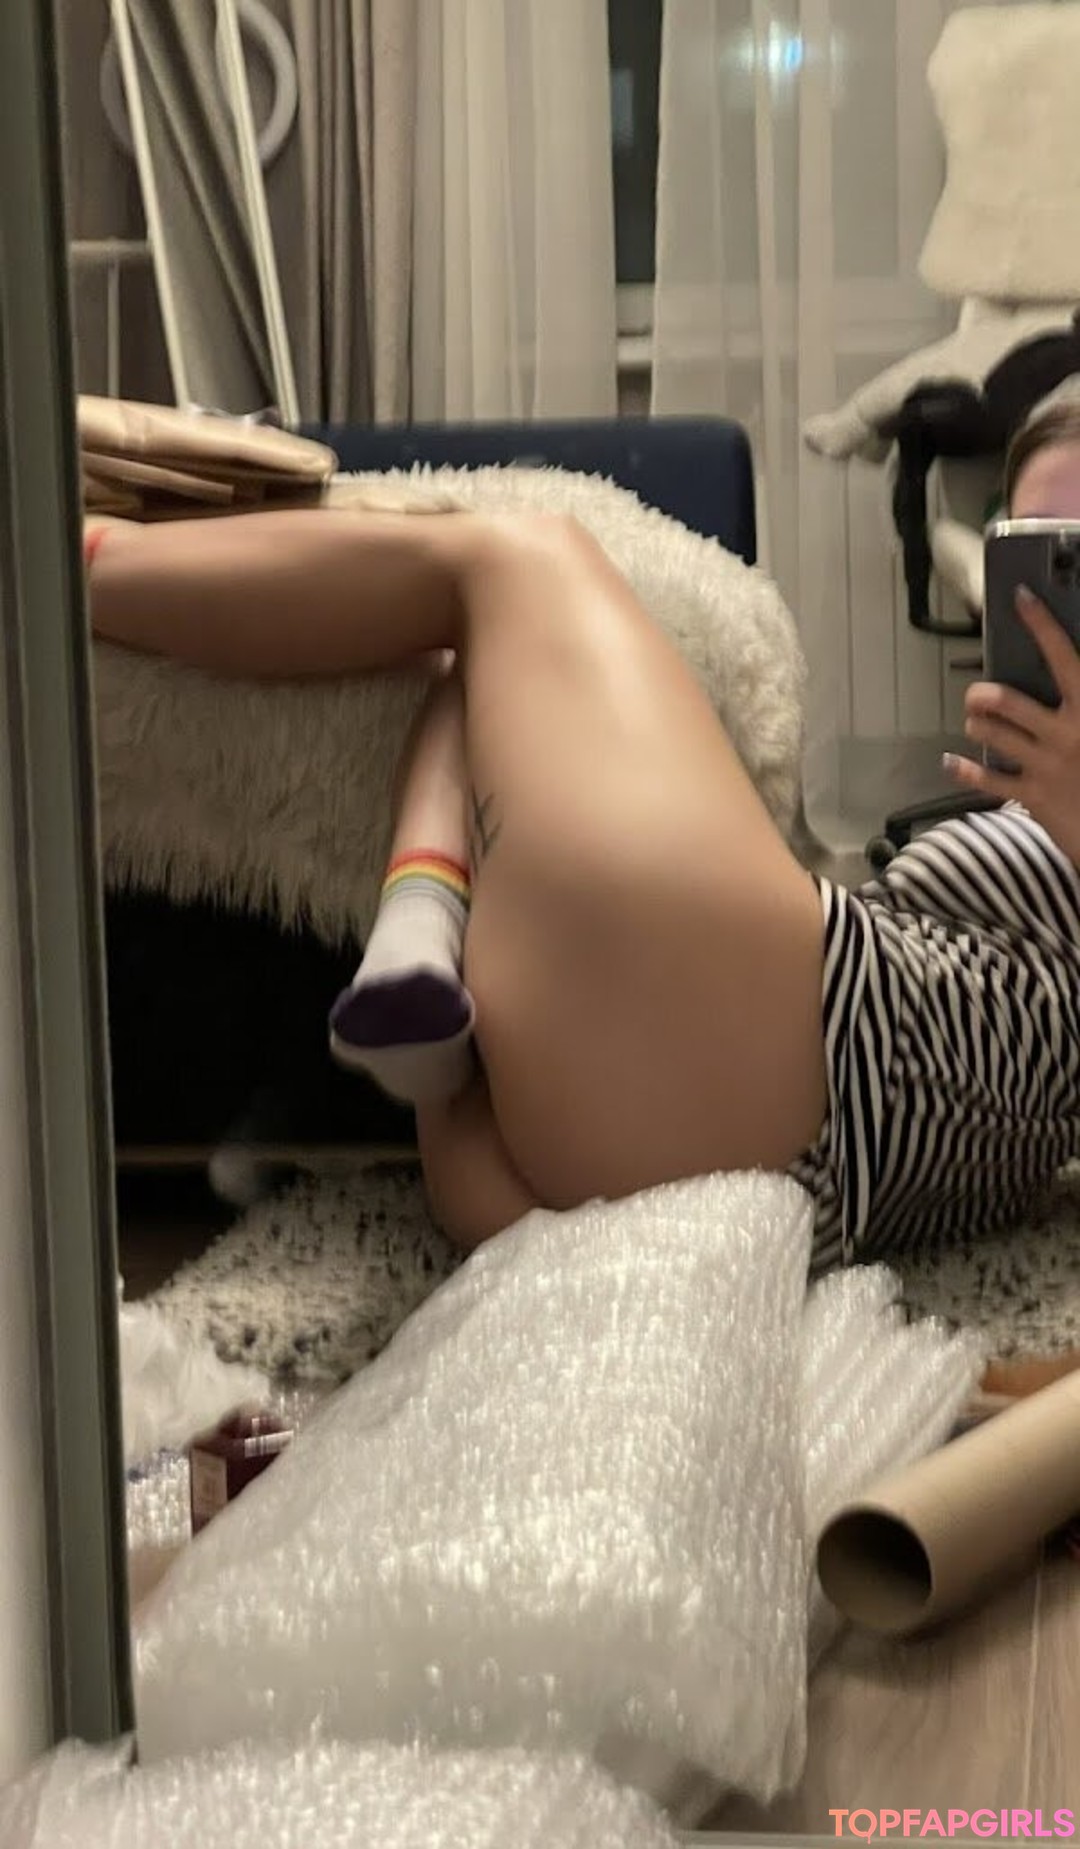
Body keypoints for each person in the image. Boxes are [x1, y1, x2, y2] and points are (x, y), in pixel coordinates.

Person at [80, 399, 1080, 1268]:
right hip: (660, 1156)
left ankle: (55, 552)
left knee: (522, 556)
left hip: (793, 1044)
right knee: (479, 671)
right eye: (1038, 547)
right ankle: (419, 937)